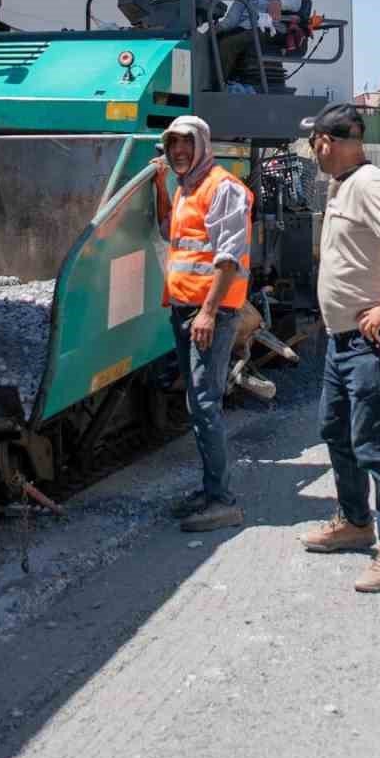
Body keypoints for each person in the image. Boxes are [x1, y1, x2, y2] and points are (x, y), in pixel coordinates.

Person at [298, 102, 380, 593]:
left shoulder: (367, 184)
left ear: (326, 142)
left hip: (373, 340)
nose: (315, 155)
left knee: (374, 444)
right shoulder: (344, 184)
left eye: (316, 146)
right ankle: (355, 522)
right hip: (343, 340)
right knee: (336, 428)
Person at [153, 116, 254, 529]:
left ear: (201, 145)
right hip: (185, 309)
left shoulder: (222, 187)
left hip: (207, 313)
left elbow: (229, 256)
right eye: (172, 144)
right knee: (198, 403)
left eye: (185, 143)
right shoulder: (187, 188)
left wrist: (210, 311)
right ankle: (211, 491)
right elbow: (168, 232)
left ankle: (223, 500)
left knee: (206, 404)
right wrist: (160, 187)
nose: (178, 151)